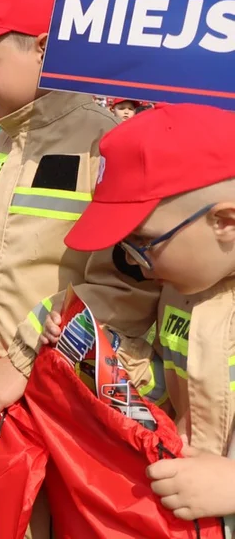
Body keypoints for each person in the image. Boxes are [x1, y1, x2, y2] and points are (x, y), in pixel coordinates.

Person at [0, 0, 162, 539]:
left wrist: (23, 363)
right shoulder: (3, 139)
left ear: (47, 49)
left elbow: (121, 286)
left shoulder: (102, 144)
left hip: (54, 394)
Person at [37, 104, 235, 532]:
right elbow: (179, 396)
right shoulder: (184, 292)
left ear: (225, 221)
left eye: (143, 243)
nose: (138, 266)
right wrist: (111, 358)